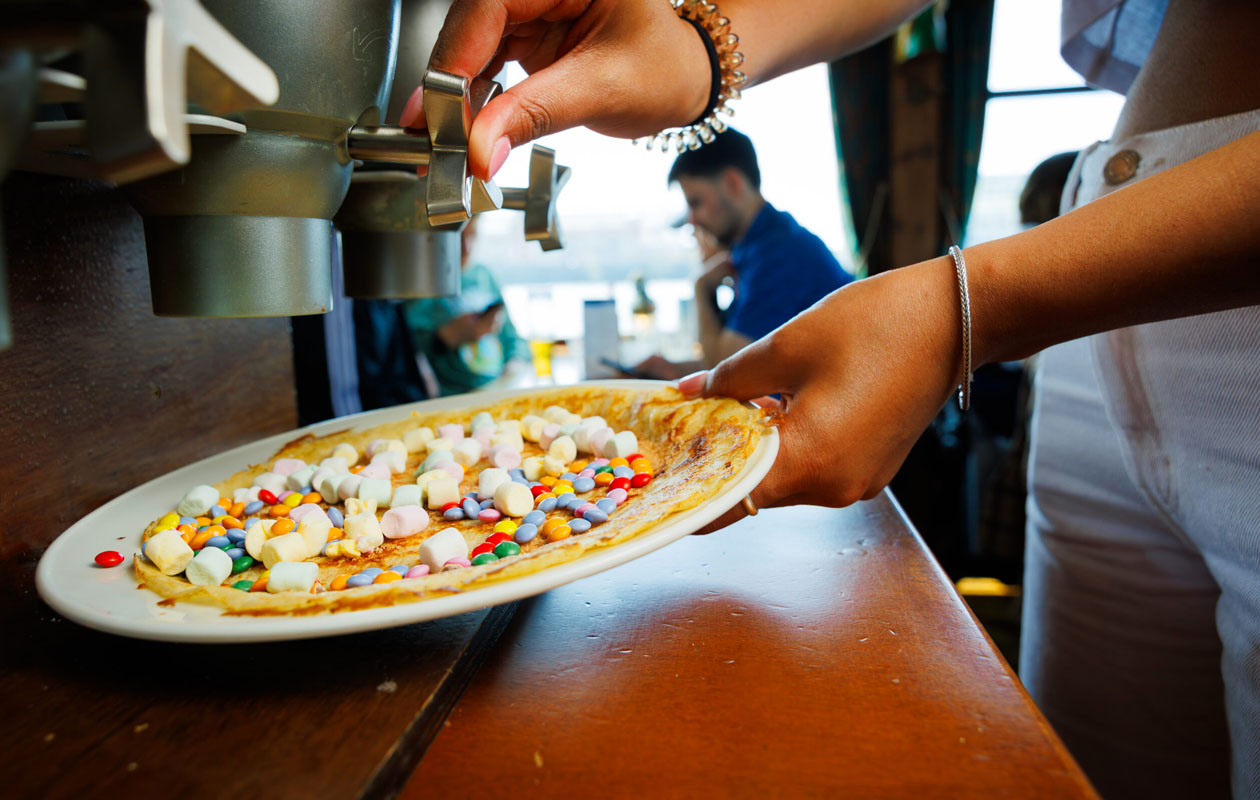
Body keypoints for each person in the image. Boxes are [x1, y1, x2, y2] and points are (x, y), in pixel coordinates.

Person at [405, 0, 1260, 796]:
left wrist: (964, 309)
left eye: (700, 208)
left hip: (1120, 298)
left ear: (735, 188)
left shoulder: (778, 251)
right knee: (1077, 770)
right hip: (1098, 256)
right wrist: (700, 37)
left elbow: (735, 368)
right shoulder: (754, 254)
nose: (698, 227)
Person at [632, 129, 852, 380]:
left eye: (696, 203)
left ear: (732, 184)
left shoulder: (779, 256)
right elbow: (741, 356)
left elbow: (727, 372)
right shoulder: (760, 244)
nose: (692, 220)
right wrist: (673, 369)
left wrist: (700, 287)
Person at [402, 216, 531, 395]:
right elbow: (406, 354)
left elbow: (512, 337)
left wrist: (515, 362)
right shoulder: (426, 285)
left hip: (496, 387)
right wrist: (446, 337)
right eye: (459, 238)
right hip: (455, 395)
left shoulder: (485, 275)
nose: (466, 248)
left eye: (472, 236)